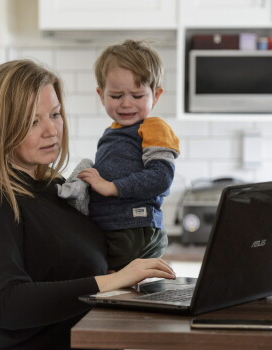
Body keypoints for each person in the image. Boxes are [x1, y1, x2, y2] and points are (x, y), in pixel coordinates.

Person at [0, 59, 176, 350]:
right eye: (32, 122)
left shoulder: (54, 188)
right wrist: (110, 282)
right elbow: (5, 304)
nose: (51, 131)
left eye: (55, 114)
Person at [77, 40, 181, 271]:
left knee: (101, 281)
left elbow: (161, 176)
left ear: (156, 95)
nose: (126, 104)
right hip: (116, 228)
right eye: (115, 96)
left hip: (134, 230)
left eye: (136, 95)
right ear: (100, 94)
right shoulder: (112, 131)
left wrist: (112, 187)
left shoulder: (154, 127)